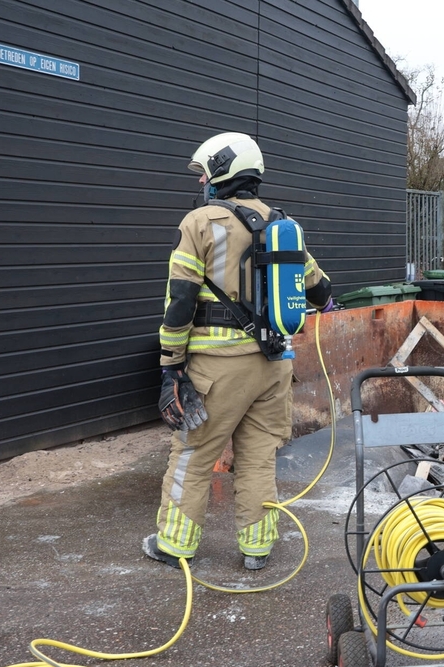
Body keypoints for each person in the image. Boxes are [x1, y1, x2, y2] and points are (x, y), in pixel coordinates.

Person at [143, 132, 333, 571]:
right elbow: (321, 290)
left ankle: (174, 545)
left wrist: (170, 369)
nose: (201, 183)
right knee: (258, 457)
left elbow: (180, 302)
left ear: (222, 172)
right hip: (274, 366)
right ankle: (256, 550)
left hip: (217, 370)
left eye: (205, 174)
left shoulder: (198, 224)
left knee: (192, 455)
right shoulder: (284, 226)